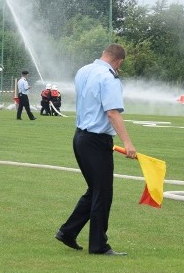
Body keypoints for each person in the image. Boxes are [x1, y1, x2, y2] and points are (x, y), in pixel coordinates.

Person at [56, 43, 137, 256]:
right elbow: (112, 113)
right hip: (97, 140)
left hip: (80, 137)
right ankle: (99, 245)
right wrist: (128, 143)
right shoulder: (109, 78)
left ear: (104, 54)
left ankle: (68, 232)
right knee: (103, 193)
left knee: (95, 190)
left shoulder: (83, 71)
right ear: (118, 62)